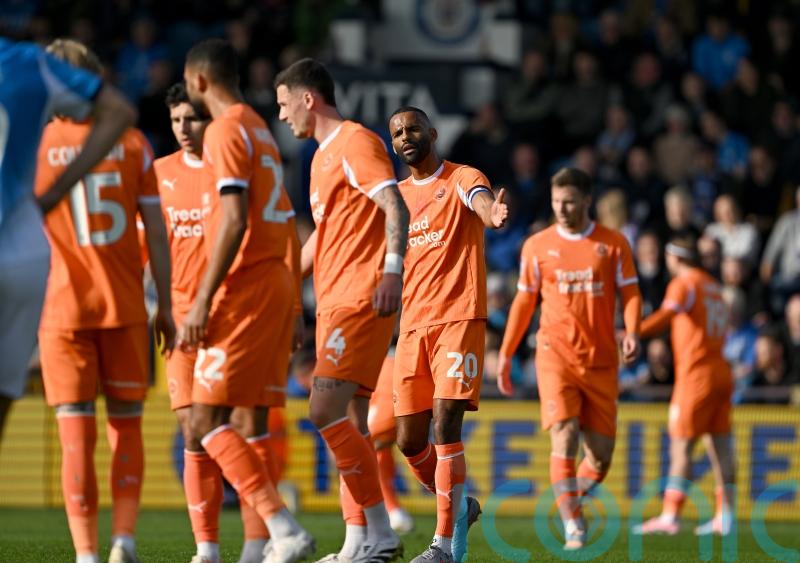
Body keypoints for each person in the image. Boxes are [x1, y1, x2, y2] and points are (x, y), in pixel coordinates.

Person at [34, 39, 173, 563]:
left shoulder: (36, 144)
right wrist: (169, 302)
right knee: (126, 426)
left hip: (61, 310)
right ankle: (125, 541)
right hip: (125, 307)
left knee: (76, 433)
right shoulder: (133, 142)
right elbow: (155, 232)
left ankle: (87, 553)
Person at [182, 39, 313, 563]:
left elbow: (235, 220)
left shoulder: (225, 130)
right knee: (250, 422)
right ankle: (258, 548)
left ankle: (283, 528)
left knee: (202, 421)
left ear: (197, 82)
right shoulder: (260, 129)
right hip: (276, 284)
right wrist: (296, 301)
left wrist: (201, 300)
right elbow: (281, 215)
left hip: (244, 290)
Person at [275, 58, 409, 562]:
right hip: (332, 302)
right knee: (351, 421)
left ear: (308, 98)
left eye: (285, 104)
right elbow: (324, 240)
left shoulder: (355, 142)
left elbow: (396, 206)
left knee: (322, 409)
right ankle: (359, 541)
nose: (283, 115)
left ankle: (380, 533)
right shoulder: (318, 158)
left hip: (361, 296)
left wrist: (392, 270)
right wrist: (282, 281)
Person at [496, 167, 642, 550]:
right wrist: (507, 354)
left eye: (570, 201)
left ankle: (568, 497)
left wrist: (632, 331)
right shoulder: (537, 246)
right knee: (565, 433)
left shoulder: (612, 244)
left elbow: (631, 294)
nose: (562, 208)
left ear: (587, 200)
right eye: (556, 201)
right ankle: (573, 524)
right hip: (554, 354)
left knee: (601, 457)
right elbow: (524, 303)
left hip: (601, 360)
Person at [0, 37, 135, 448]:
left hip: (65, 299)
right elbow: (120, 111)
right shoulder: (29, 62)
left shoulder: (48, 138)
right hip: (25, 257)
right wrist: (56, 193)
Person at [388, 106, 508, 563]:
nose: (405, 136)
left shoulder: (460, 176)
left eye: (413, 128)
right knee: (408, 440)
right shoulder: (395, 197)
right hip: (412, 325)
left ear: (433, 133)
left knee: (445, 424)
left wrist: (490, 211)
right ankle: (460, 506)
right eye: (397, 133)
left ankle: (442, 547)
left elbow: (477, 197)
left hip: (458, 318)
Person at [632, 236, 736, 537]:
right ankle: (724, 516)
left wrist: (634, 330)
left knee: (681, 448)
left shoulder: (684, 283)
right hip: (721, 371)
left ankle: (670, 516)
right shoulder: (714, 287)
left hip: (696, 375)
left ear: (674, 257)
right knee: (721, 447)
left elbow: (666, 315)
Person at [368, 355, 415, 536]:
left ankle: (382, 514)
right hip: (404, 404)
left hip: (386, 407)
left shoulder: (378, 361)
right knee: (380, 455)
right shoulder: (391, 360)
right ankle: (393, 511)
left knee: (361, 453)